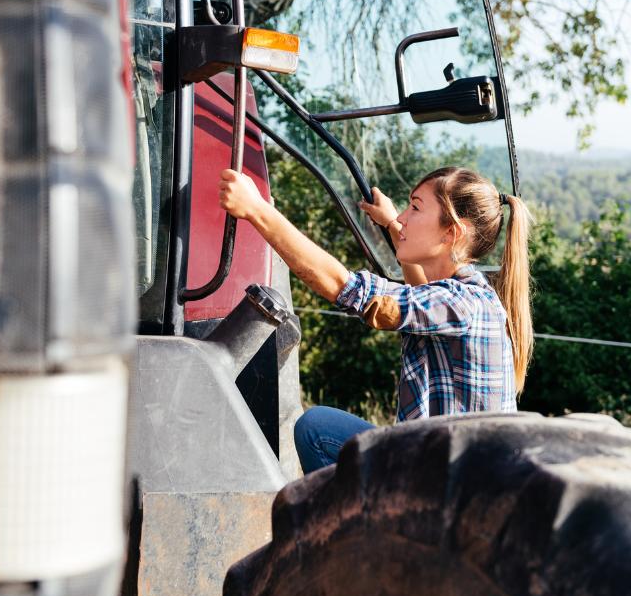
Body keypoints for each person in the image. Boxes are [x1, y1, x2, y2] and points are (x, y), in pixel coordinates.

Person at [218, 165, 533, 474]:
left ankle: (368, 526)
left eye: (415, 208)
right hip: (448, 471)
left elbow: (344, 287)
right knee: (320, 427)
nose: (402, 217)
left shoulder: (462, 304)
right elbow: (422, 294)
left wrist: (258, 211)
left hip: (449, 492)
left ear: (451, 233)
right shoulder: (462, 299)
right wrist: (393, 227)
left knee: (316, 430)